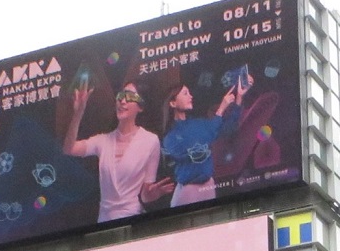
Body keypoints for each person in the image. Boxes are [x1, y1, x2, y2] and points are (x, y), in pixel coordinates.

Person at [62, 80, 168, 222]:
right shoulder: (103, 141)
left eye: (130, 97)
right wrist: (78, 113)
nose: (123, 101)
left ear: (140, 107)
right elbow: (69, 149)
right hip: (105, 219)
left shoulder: (150, 140)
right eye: (121, 96)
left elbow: (145, 195)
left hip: (133, 217)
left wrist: (153, 193)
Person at [159, 70, 250, 207]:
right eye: (185, 93)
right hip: (188, 191)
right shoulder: (170, 136)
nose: (190, 96)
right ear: (172, 103)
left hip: (208, 186)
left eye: (189, 92)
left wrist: (238, 99)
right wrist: (221, 109)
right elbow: (200, 142)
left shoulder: (198, 123)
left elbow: (228, 129)